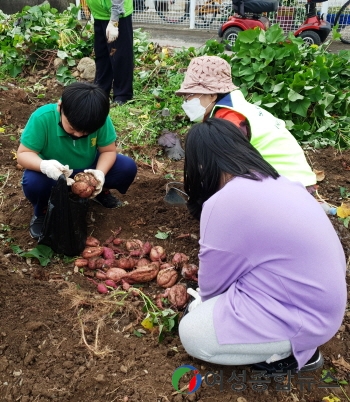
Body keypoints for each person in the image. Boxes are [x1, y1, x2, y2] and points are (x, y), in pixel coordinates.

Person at [179, 118, 346, 373]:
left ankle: (285, 352)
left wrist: (194, 305)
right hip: (323, 304)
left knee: (192, 331)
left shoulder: (224, 202)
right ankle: (289, 340)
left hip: (306, 318)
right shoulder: (282, 181)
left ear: (201, 164)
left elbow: (212, 288)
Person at [175, 55, 317, 193]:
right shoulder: (237, 108)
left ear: (212, 95)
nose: (186, 101)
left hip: (288, 188)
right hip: (293, 181)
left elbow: (228, 167)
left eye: (189, 95)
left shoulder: (229, 118)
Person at [17, 82, 137, 239]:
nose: (79, 135)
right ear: (60, 108)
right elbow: (23, 153)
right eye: (72, 128)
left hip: (88, 169)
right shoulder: (42, 118)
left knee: (126, 168)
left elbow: (108, 150)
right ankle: (42, 211)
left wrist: (100, 173)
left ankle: (100, 191)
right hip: (54, 174)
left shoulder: (98, 118)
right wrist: (44, 166)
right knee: (34, 182)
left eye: (86, 132)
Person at [85, 0, 133, 105]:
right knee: (102, 55)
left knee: (120, 56)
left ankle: (123, 95)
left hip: (116, 15)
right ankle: (101, 91)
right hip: (100, 14)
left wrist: (114, 21)